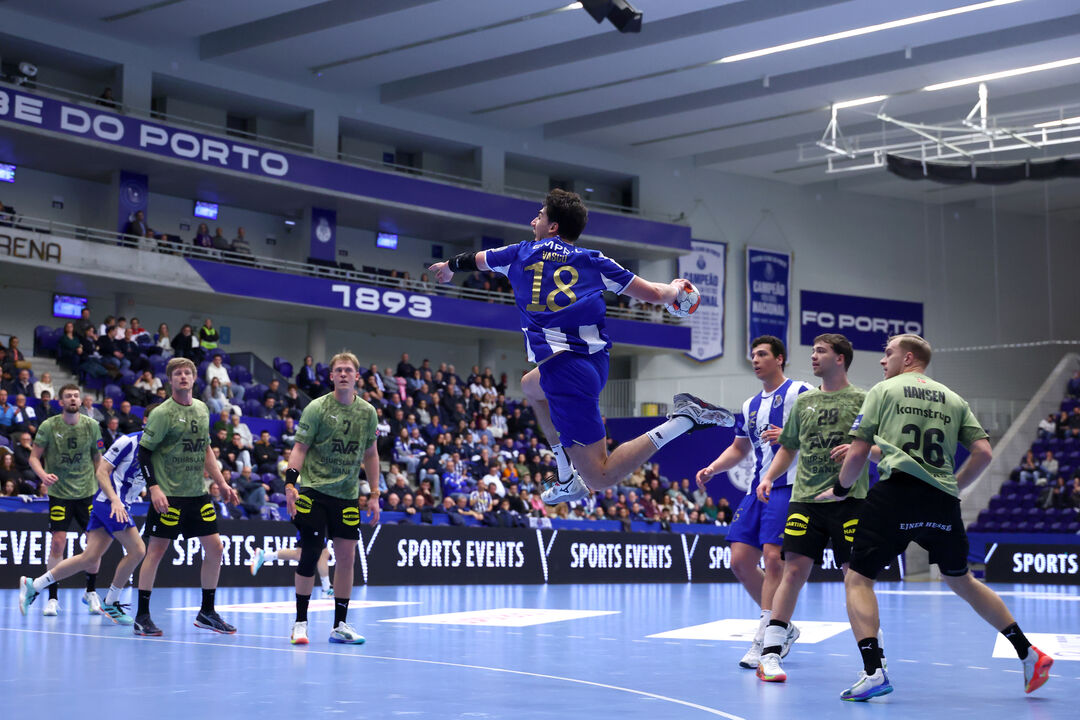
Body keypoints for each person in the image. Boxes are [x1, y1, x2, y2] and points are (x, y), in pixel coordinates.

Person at [429, 189, 731, 506]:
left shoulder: (520, 253)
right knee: (530, 387)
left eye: (540, 215)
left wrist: (449, 266)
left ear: (554, 226)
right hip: (594, 363)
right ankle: (564, 476)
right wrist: (675, 290)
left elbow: (476, 260)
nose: (534, 219)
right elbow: (655, 295)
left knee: (600, 477)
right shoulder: (592, 261)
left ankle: (684, 420)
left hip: (564, 374)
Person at [825, 334, 1053, 701]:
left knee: (857, 578)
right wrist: (955, 487)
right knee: (961, 580)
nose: (883, 362)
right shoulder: (954, 398)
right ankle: (1029, 653)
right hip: (942, 501)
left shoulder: (883, 391)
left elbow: (858, 450)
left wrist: (839, 489)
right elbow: (982, 452)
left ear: (909, 358)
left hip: (897, 495)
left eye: (888, 354)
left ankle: (873, 672)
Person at [753, 334, 874, 683]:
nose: (813, 356)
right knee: (792, 571)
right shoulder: (805, 402)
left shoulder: (863, 399)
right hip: (805, 500)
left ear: (841, 358)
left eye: (821, 351)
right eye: (813, 351)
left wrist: (855, 448)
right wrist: (769, 477)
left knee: (855, 577)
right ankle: (771, 655)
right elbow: (788, 447)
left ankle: (873, 662)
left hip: (849, 500)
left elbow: (876, 444)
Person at [695, 335, 812, 669]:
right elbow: (739, 448)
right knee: (740, 560)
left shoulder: (801, 393)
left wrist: (792, 434)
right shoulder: (749, 406)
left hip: (790, 486)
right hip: (756, 490)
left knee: (774, 559)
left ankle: (764, 640)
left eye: (762, 354)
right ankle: (783, 624)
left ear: (780, 359)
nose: (756, 360)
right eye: (753, 355)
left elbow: (825, 430)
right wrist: (713, 468)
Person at [19, 405, 160, 624]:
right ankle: (112, 601)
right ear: (145, 421)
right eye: (155, 419)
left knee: (89, 557)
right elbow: (101, 471)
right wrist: (115, 500)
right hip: (110, 502)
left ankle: (34, 585)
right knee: (138, 549)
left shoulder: (161, 450)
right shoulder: (128, 442)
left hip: (122, 504)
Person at [134, 357, 239, 637]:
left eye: (187, 373)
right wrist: (154, 487)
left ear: (194, 379)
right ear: (170, 380)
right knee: (155, 552)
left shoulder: (203, 409)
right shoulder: (162, 413)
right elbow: (144, 452)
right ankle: (141, 615)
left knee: (215, 548)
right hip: (168, 495)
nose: (183, 377)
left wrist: (222, 483)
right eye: (178, 373)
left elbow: (205, 450)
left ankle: (207, 612)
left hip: (197, 494)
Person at [284, 352, 380, 645]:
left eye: (348, 370)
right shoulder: (317, 408)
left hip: (347, 496)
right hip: (313, 491)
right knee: (312, 552)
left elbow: (371, 455)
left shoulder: (368, 412)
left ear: (356, 377)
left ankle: (340, 625)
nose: (343, 374)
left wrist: (374, 494)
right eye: (338, 370)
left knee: (347, 558)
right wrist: (290, 484)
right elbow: (300, 448)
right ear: (331, 376)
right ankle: (300, 623)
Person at [27, 385, 105, 616]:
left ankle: (90, 592)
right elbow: (33, 457)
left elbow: (98, 459)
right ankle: (52, 598)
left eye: (76, 395)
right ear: (61, 402)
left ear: (80, 400)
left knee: (94, 545)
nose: (73, 398)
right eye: (68, 396)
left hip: (87, 493)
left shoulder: (92, 426)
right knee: (58, 543)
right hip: (60, 493)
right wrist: (43, 476)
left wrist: (103, 488)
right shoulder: (49, 426)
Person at [249, 543, 334, 596]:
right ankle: (264, 556)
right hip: (310, 520)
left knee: (322, 553)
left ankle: (326, 589)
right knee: (303, 554)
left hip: (315, 522)